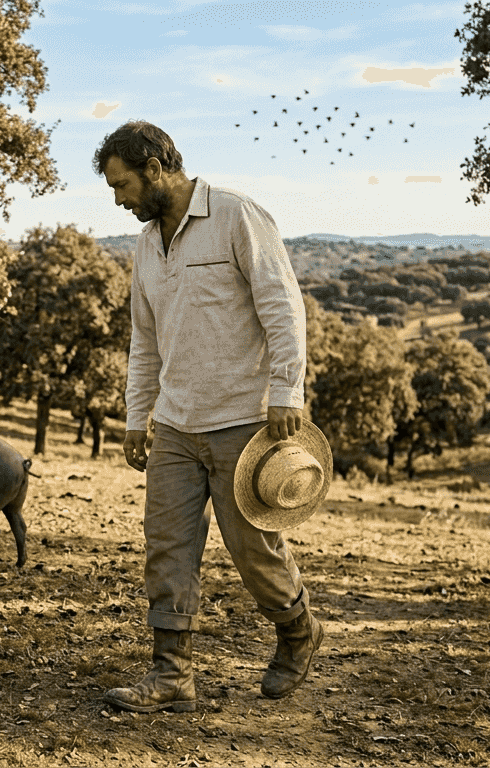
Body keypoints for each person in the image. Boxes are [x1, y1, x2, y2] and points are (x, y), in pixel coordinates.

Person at [95, 120, 322, 712]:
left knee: (254, 550)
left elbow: (282, 305)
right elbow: (144, 341)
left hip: (246, 421)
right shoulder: (147, 244)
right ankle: (172, 675)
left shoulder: (235, 215)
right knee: (166, 546)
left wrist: (286, 390)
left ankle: (298, 630)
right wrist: (135, 417)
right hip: (174, 423)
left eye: (122, 185)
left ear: (154, 167)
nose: (119, 200)